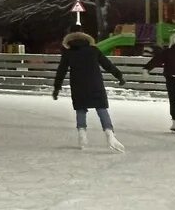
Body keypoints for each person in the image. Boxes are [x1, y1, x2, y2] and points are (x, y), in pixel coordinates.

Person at [53, 24, 126, 152]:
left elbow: (61, 71)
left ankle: (82, 135)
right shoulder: (93, 50)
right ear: (84, 35)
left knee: (80, 109)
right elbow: (107, 65)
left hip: (78, 85)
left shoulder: (68, 53)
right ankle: (110, 134)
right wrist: (119, 76)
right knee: (102, 109)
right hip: (95, 83)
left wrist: (56, 88)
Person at [145, 33, 175, 131]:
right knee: (173, 101)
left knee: (173, 101)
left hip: (171, 78)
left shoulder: (168, 51)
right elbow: (157, 59)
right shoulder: (168, 52)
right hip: (171, 78)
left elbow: (156, 60)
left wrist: (146, 69)